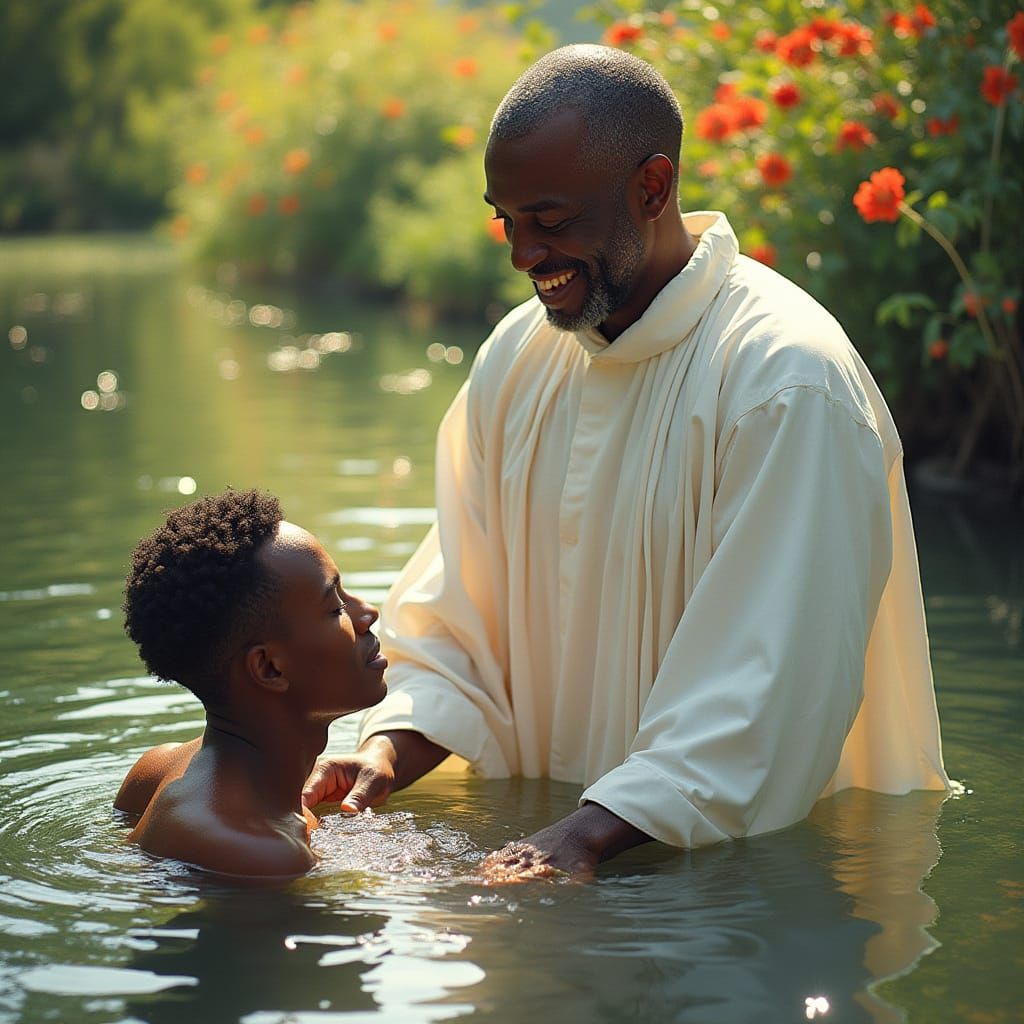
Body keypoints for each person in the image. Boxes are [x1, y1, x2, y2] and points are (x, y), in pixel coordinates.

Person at [303, 45, 950, 879]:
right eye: (507, 219)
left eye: (551, 218)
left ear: (652, 188)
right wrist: (388, 749)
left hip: (752, 894)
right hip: (563, 871)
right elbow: (462, 614)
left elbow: (770, 688)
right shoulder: (517, 358)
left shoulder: (786, 384)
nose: (522, 255)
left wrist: (581, 838)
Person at [115, 488, 387, 877]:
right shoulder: (264, 853)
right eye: (335, 607)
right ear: (270, 668)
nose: (367, 613)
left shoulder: (157, 770)